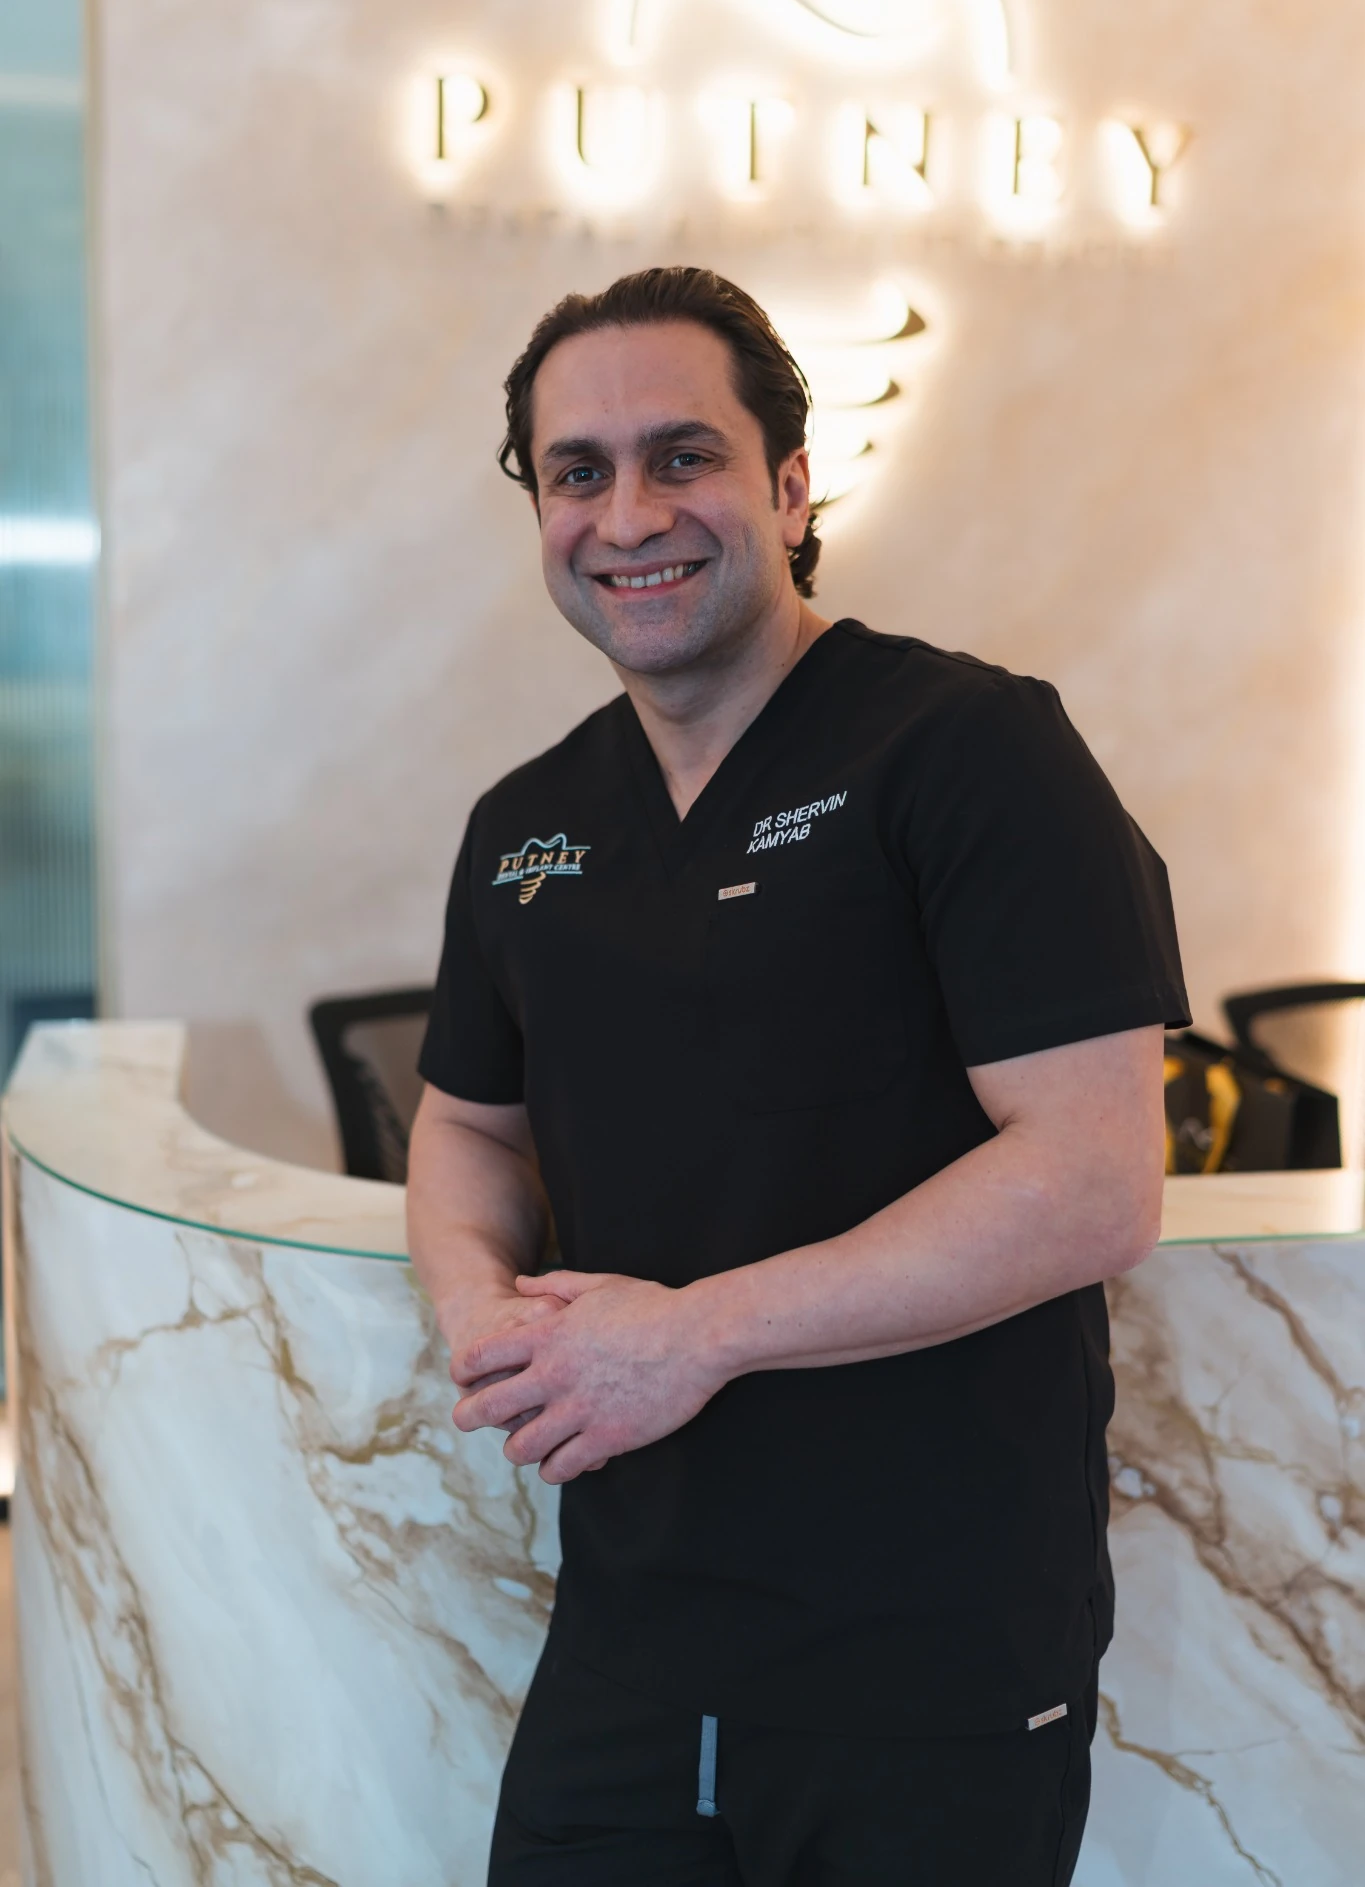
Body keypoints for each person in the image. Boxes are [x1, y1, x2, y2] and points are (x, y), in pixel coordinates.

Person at [406, 265, 1189, 1886]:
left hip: (928, 1674)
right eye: (578, 471)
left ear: (787, 485)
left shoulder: (969, 751)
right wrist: (475, 1301)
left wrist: (695, 1337)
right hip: (627, 1648)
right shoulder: (524, 824)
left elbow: (1096, 1174)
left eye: (683, 456)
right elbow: (468, 1124)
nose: (630, 512)